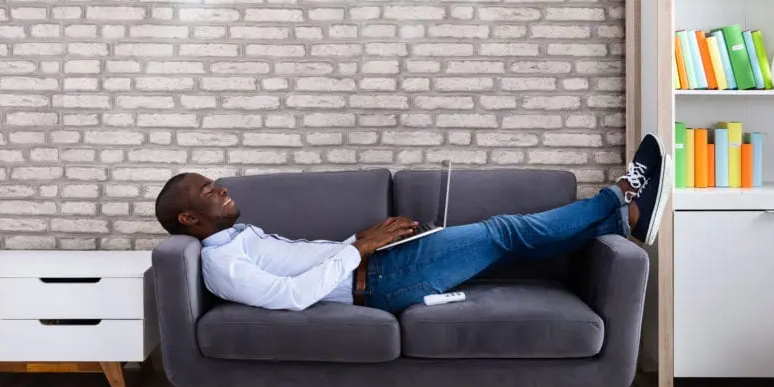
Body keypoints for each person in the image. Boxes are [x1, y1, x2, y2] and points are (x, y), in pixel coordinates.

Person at [154, 134, 671, 314]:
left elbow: (305, 261)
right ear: (188, 218)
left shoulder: (236, 236)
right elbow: (292, 297)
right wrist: (360, 250)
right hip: (380, 282)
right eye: (208, 190)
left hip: (378, 265)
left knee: (506, 242)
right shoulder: (223, 264)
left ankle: (617, 222)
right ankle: (620, 198)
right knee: (503, 231)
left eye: (215, 182)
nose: (221, 188)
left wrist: (364, 241)